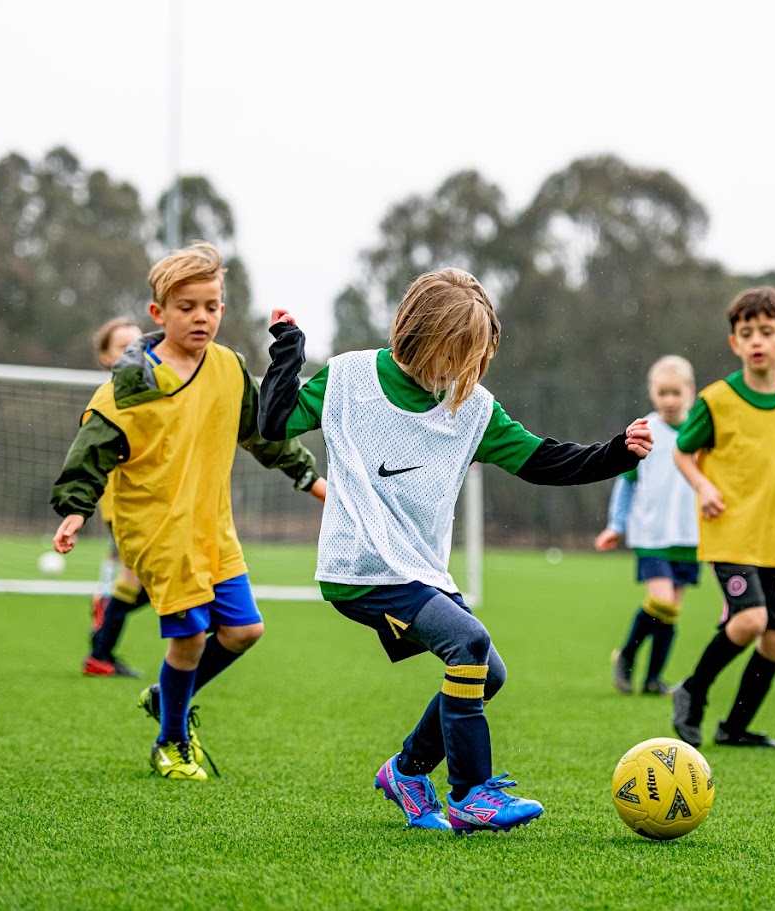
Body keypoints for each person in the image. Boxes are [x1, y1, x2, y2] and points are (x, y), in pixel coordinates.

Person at [258, 267, 654, 834]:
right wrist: (287, 350)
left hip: (419, 570)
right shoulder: (348, 379)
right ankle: (471, 794)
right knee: (468, 641)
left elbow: (542, 460)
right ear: (417, 336)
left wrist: (618, 452)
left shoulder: (470, 406)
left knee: (486, 673)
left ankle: (407, 771)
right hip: (360, 568)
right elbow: (274, 423)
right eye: (456, 355)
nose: (465, 371)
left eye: (476, 358)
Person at [50, 242, 325, 782]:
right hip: (156, 531)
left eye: (212, 306)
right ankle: (171, 741)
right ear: (158, 314)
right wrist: (75, 510)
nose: (201, 317)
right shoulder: (132, 384)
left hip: (212, 528)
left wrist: (310, 478)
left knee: (245, 631)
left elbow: (260, 432)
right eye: (187, 307)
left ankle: (170, 696)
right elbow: (93, 448)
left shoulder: (227, 367)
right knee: (191, 638)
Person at [670, 286, 775, 751]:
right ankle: (693, 691)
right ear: (734, 344)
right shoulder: (717, 399)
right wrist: (704, 487)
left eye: (767, 331)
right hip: (729, 533)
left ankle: (735, 728)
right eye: (747, 333)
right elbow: (683, 451)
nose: (757, 341)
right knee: (751, 621)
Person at [594, 355, 700, 697]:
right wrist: (616, 525)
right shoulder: (646, 432)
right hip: (652, 534)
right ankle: (626, 654)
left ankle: (654, 679)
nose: (669, 400)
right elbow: (626, 483)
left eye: (675, 392)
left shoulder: (702, 433)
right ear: (652, 393)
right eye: (662, 392)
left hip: (689, 536)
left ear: (690, 392)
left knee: (671, 612)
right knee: (663, 603)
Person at [81, 317, 146, 678]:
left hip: (149, 505)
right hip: (125, 504)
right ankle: (101, 652)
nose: (134, 351)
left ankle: (103, 625)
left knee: (146, 580)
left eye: (139, 343)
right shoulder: (112, 399)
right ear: (106, 358)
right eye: (123, 346)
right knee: (138, 578)